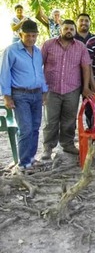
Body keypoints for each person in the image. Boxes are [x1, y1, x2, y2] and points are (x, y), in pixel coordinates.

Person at [0, 20, 48, 172]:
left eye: (34, 36)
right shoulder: (11, 51)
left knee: (35, 127)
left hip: (37, 94)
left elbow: (40, 73)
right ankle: (23, 163)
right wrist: (6, 96)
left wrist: (44, 91)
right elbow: (4, 74)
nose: (31, 39)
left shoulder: (38, 51)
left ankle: (31, 158)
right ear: (20, 34)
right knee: (25, 128)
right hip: (20, 94)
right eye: (28, 35)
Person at [41, 20, 93, 159]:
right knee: (50, 121)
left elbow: (86, 67)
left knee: (69, 119)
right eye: (66, 28)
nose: (69, 31)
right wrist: (41, 87)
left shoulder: (81, 47)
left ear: (75, 31)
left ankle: (68, 144)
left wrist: (86, 87)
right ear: (61, 30)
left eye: (71, 29)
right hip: (51, 89)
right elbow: (38, 64)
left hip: (72, 89)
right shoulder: (48, 44)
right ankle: (48, 148)